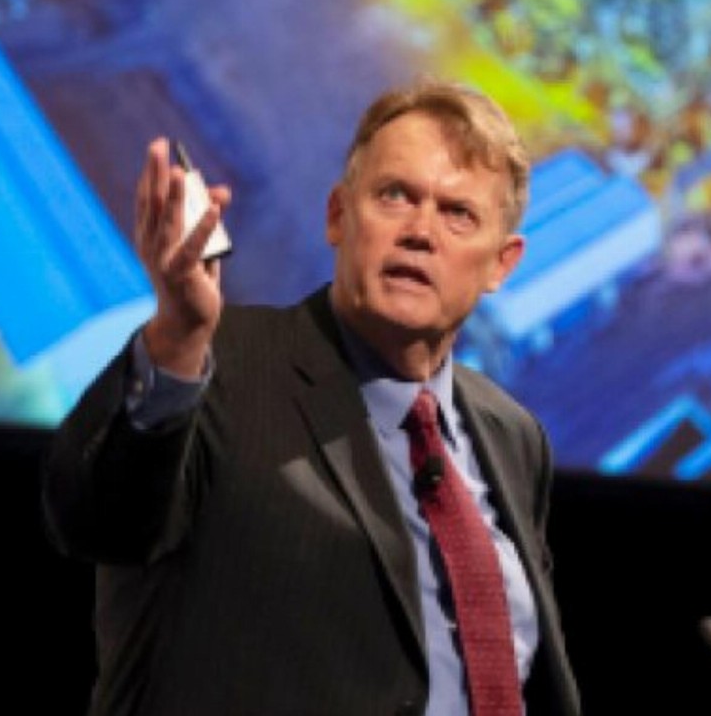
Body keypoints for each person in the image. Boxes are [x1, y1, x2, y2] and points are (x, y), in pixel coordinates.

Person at [42, 80, 581, 716]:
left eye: (458, 213)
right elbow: (95, 521)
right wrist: (177, 340)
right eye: (394, 195)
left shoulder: (511, 434)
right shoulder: (218, 365)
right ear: (338, 215)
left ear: (501, 264)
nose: (420, 231)